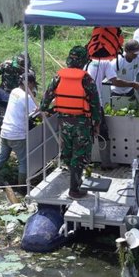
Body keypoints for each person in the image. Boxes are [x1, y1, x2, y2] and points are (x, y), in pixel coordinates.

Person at [42, 45, 103, 198]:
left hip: (64, 123)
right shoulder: (86, 79)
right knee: (80, 155)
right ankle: (74, 189)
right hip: (82, 124)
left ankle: (75, 181)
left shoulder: (58, 77)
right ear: (83, 61)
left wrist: (50, 110)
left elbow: (45, 101)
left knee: (68, 153)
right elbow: (95, 103)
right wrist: (97, 124)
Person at [0, 72, 39, 188]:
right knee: (24, 162)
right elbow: (39, 114)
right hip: (17, 135)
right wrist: (45, 113)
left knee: (1, 157)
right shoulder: (26, 98)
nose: (33, 87)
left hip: (5, 131)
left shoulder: (14, 91)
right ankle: (20, 188)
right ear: (29, 83)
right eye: (32, 85)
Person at [97, 39, 139, 108]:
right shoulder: (117, 62)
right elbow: (114, 81)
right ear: (127, 51)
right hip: (117, 93)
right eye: (134, 53)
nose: (136, 55)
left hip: (130, 91)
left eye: (138, 52)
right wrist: (132, 84)